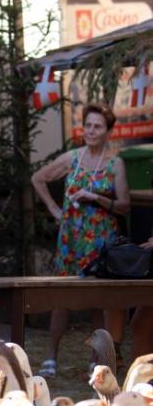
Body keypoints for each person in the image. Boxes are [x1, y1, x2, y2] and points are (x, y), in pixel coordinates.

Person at [32, 101, 131, 377]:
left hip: (102, 240)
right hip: (72, 238)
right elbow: (38, 178)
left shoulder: (115, 163)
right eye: (87, 125)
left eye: (97, 126)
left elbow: (124, 205)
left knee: (98, 299)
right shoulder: (73, 158)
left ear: (108, 131)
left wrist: (96, 197)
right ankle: (51, 355)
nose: (91, 130)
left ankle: (95, 359)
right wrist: (55, 210)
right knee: (62, 295)